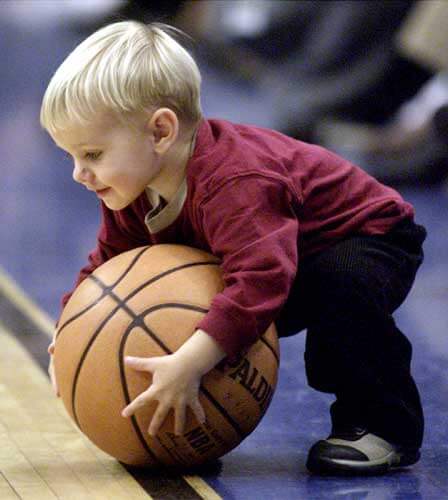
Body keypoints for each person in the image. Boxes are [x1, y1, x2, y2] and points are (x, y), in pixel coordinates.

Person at [41, 21, 426, 476]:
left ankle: (383, 424)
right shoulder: (132, 190)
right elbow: (107, 267)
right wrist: (68, 338)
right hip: (283, 251)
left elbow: (262, 280)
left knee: (340, 292)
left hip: (367, 234)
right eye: (71, 158)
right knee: (185, 311)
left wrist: (190, 361)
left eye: (92, 154)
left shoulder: (235, 183)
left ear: (161, 131)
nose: (79, 174)